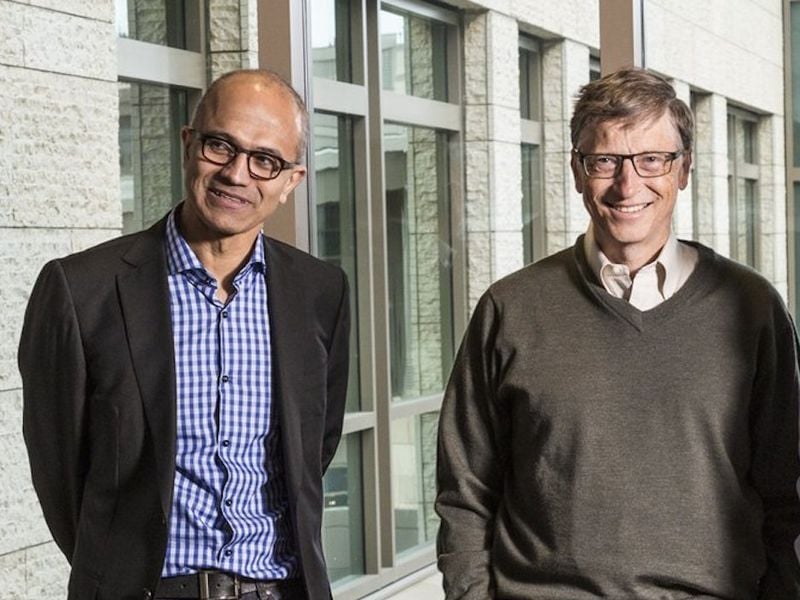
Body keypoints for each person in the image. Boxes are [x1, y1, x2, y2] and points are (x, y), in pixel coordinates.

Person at [436, 68, 800, 599]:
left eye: (652, 159)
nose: (628, 184)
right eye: (605, 160)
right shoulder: (510, 307)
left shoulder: (752, 308)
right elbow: (465, 490)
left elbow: (787, 493)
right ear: (579, 171)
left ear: (684, 170)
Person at [18, 69, 349, 600]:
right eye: (221, 146)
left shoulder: (320, 291)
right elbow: (59, 472)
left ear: (292, 181)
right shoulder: (82, 290)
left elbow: (315, 446)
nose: (238, 175)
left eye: (265, 160)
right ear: (187, 144)